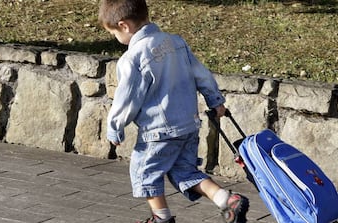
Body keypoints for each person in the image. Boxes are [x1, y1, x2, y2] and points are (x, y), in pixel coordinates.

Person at [98, 1, 249, 223]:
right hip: (189, 125)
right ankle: (228, 200)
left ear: (124, 25)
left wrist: (115, 129)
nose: (116, 38)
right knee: (184, 172)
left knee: (144, 173)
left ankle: (161, 218)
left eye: (113, 33)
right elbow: (201, 74)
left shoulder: (132, 58)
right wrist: (215, 100)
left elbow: (127, 99)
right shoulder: (176, 42)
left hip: (158, 132)